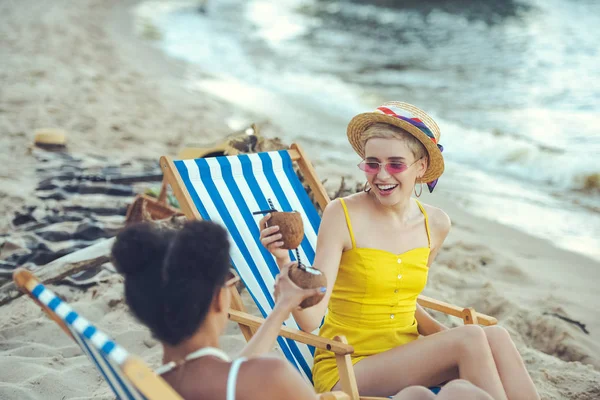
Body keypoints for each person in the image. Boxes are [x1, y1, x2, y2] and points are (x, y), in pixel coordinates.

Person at [259, 102, 539, 400]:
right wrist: (284, 260)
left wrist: (448, 337)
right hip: (350, 365)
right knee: (471, 337)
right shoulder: (342, 214)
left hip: (407, 355)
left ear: (420, 168)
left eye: (395, 164)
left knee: (494, 335)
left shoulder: (436, 224)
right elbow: (311, 319)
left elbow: (406, 301)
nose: (382, 175)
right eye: (372, 163)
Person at [111, 220, 492, 399]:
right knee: (459, 394)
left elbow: (232, 370)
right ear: (218, 301)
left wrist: (282, 309)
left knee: (419, 397)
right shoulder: (267, 377)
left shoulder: (144, 383)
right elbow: (244, 372)